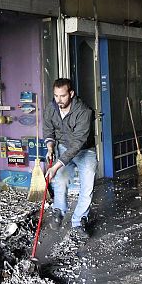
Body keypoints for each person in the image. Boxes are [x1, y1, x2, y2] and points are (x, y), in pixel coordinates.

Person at [44, 78, 96, 238]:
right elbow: (48, 129)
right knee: (60, 180)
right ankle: (59, 211)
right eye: (56, 96)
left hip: (85, 151)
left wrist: (55, 166)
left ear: (71, 93)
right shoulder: (51, 108)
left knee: (87, 187)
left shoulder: (84, 111)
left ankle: (79, 221)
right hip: (63, 147)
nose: (59, 100)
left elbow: (77, 144)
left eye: (63, 96)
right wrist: (50, 147)